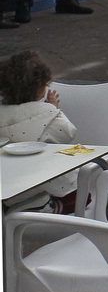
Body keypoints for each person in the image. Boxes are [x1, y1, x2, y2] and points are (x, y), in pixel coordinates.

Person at [0, 50, 78, 212]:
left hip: (9, 185)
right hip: (40, 181)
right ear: (41, 87)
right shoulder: (46, 112)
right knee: (78, 188)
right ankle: (53, 208)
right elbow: (67, 132)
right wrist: (55, 109)